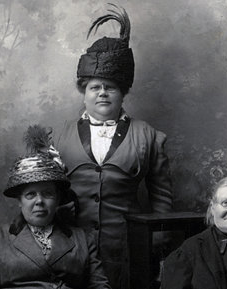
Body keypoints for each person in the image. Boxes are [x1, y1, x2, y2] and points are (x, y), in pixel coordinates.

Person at [55, 5, 173, 288]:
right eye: (95, 87)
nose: (103, 93)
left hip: (126, 247)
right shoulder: (58, 137)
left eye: (111, 87)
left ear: (123, 92)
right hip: (71, 244)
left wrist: (158, 239)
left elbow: (162, 196)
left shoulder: (148, 136)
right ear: (84, 93)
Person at [0, 125, 111, 289]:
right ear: (19, 200)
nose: (39, 201)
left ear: (58, 199)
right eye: (30, 195)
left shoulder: (83, 239)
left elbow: (100, 285)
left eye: (48, 194)